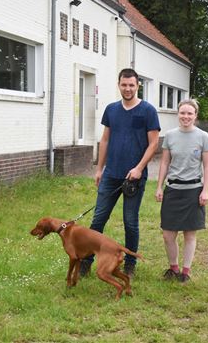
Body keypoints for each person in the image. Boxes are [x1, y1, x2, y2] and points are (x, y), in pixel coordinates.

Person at [80, 68, 160, 278]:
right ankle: (86, 262)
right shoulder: (111, 110)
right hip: (111, 175)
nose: (128, 89)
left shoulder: (148, 111)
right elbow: (105, 139)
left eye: (132, 85)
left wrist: (139, 168)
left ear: (138, 85)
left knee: (130, 222)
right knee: (98, 220)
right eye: (124, 85)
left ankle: (130, 264)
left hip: (134, 178)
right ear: (119, 85)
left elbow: (153, 144)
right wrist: (99, 169)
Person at [155, 99, 208, 283]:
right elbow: (164, 162)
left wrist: (205, 190)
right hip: (173, 189)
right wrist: (159, 186)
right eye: (182, 113)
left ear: (195, 115)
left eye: (190, 113)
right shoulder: (170, 136)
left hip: (193, 190)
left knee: (190, 233)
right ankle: (173, 268)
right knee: (168, 234)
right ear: (177, 114)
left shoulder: (203, 136)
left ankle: (185, 272)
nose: (186, 116)